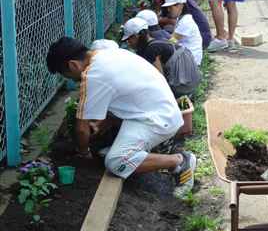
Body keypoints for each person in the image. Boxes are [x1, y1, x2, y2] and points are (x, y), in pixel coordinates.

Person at [46, 37, 196, 198]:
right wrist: (104, 123)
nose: (71, 80)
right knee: (110, 148)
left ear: (72, 65)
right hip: (160, 110)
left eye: (67, 75)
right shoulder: (107, 55)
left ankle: (178, 162)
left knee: (116, 162)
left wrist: (83, 153)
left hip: (157, 120)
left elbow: (81, 130)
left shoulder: (92, 75)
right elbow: (124, 97)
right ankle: (135, 152)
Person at [122, 17, 201, 98]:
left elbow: (160, 80)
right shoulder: (157, 37)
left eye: (129, 39)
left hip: (184, 86)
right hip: (192, 80)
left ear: (136, 36)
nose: (128, 43)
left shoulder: (151, 49)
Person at [145, 0, 212, 48]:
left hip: (202, 37)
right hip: (193, 35)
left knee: (160, 34)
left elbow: (174, 21)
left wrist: (158, 20)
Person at [162, 0, 203, 65]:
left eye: (171, 7)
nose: (168, 10)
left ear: (181, 5)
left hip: (191, 62)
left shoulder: (186, 22)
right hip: (186, 56)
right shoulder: (182, 18)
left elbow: (172, 41)